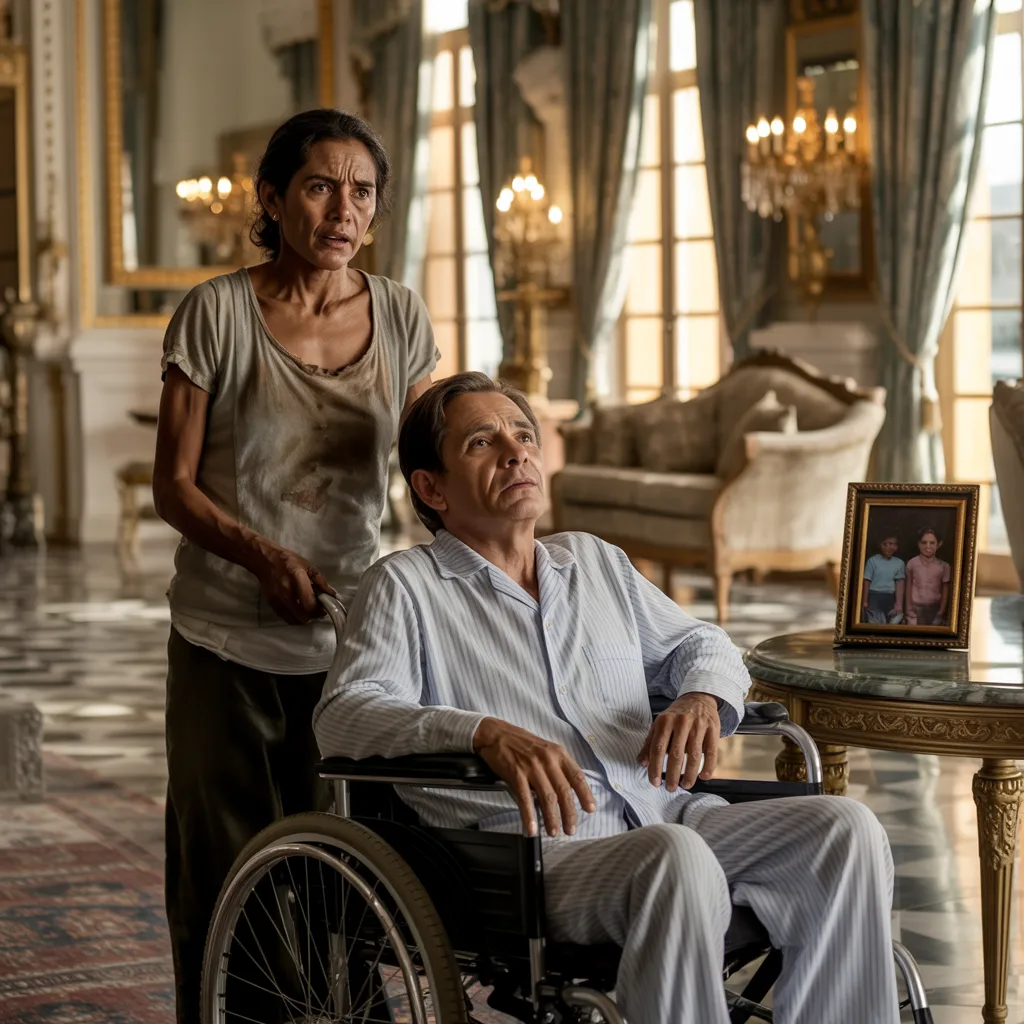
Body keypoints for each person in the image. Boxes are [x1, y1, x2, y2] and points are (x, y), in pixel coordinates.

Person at [314, 372, 900, 1024]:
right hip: (540, 856)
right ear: (431, 488)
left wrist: (700, 698)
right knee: (675, 860)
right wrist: (481, 731)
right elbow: (345, 712)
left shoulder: (593, 562)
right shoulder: (405, 586)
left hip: (670, 814)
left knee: (846, 832)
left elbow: (704, 643)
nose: (516, 453)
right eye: (483, 442)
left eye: (524, 436)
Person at [152, 108, 437, 1022]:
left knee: (343, 866)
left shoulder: (400, 314)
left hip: (349, 646)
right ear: (272, 199)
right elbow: (174, 487)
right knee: (225, 864)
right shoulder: (217, 313)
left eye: (363, 191)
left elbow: (428, 466)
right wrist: (263, 555)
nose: (343, 210)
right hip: (222, 640)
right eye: (320, 186)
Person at [904, 526, 951, 626]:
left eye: (932, 543)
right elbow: (908, 586)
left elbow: (945, 590)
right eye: (924, 542)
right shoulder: (912, 563)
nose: (927, 546)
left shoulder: (944, 566)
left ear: (939, 544)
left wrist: (941, 612)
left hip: (935, 609)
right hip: (915, 609)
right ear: (918, 544)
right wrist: (908, 608)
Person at [862, 533, 905, 624]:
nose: (889, 547)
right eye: (885, 544)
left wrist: (899, 604)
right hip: (874, 596)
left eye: (893, 544)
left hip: (890, 596)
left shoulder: (899, 563)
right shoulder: (872, 561)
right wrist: (865, 601)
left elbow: (900, 583)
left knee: (893, 620)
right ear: (880, 544)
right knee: (874, 621)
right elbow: (867, 581)